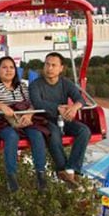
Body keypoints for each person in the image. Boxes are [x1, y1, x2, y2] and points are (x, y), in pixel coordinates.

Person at [0, 56, 50, 192]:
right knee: (11, 137)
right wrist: (2, 107)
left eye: (11, 67)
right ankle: (11, 176)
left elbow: (32, 103)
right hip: (5, 121)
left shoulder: (22, 86)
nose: (8, 70)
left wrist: (29, 114)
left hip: (24, 118)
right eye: (4, 67)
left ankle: (40, 173)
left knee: (37, 135)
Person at [27, 52, 92, 184]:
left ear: (61, 68)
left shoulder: (65, 83)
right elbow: (37, 102)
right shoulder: (35, 85)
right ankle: (62, 168)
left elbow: (80, 98)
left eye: (53, 65)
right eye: (47, 64)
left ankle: (73, 168)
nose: (49, 68)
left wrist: (74, 107)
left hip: (63, 119)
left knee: (84, 131)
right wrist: (58, 108)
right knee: (54, 133)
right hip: (45, 120)